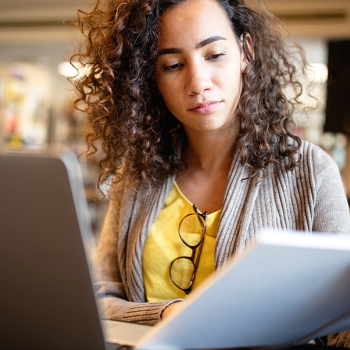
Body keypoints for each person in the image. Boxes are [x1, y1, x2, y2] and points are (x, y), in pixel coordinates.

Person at [72, 0, 350, 346]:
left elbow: (342, 323)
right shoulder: (136, 176)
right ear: (150, 77)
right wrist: (166, 313)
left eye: (215, 54)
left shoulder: (311, 171)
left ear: (246, 51)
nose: (198, 82)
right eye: (173, 65)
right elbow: (100, 299)